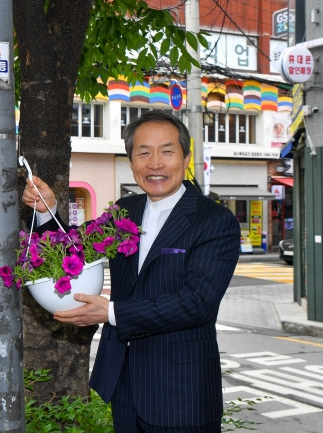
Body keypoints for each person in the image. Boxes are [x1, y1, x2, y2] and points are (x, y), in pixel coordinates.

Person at [22, 110, 240, 432]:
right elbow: (74, 249)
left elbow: (197, 302)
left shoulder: (215, 221)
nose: (155, 163)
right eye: (143, 153)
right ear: (131, 160)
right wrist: (48, 211)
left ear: (186, 157)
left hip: (182, 395)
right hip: (124, 387)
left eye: (167, 151)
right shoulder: (125, 211)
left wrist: (110, 312)